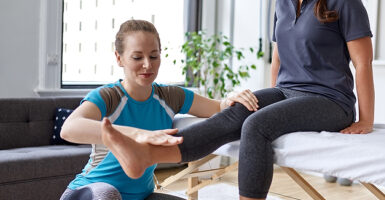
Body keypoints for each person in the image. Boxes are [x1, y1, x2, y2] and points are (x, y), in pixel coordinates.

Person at [98, 0, 375, 200]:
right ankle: (146, 156)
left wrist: (366, 119)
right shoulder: (283, 2)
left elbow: (363, 63)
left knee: (257, 125)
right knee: (237, 111)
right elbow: (278, 58)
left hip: (331, 101)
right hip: (287, 91)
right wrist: (274, 98)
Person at [59, 19, 259, 200]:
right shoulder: (108, 97)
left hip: (142, 196)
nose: (147, 65)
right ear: (119, 58)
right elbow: (69, 129)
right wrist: (139, 135)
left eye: (154, 56)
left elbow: (218, 108)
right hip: (90, 193)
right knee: (108, 194)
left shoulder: (170, 96)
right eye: (137, 57)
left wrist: (233, 97)